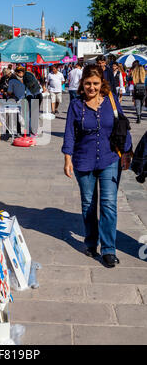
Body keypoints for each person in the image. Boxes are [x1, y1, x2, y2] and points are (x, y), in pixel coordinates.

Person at [62, 64, 132, 268]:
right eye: (87, 84)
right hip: (84, 161)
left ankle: (109, 249)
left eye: (95, 84)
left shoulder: (111, 101)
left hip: (110, 159)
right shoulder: (76, 105)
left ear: (102, 84)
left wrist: (127, 152)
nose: (91, 88)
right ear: (81, 84)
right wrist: (67, 159)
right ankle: (91, 242)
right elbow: (69, 134)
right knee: (89, 205)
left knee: (109, 204)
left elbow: (123, 127)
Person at [23, 69, 42, 136]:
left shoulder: (26, 78)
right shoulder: (35, 82)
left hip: (31, 96)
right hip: (37, 96)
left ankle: (32, 131)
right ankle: (34, 131)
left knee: (31, 115)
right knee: (34, 114)